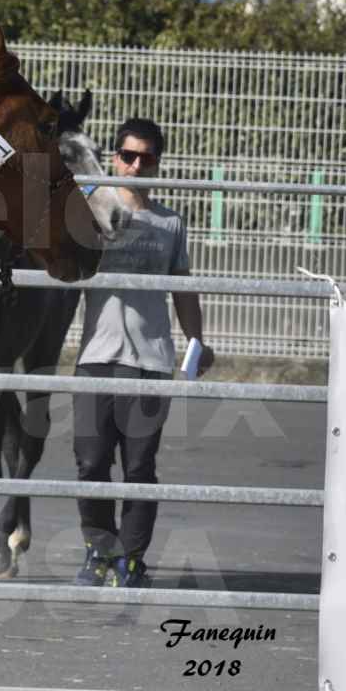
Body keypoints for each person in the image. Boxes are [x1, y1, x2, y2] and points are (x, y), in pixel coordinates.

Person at [74, 118, 215, 588]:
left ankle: (131, 559)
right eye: (128, 155)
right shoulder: (93, 211)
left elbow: (183, 290)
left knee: (138, 467)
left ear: (157, 161)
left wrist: (198, 341)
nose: (136, 165)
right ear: (114, 157)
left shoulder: (170, 221)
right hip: (95, 358)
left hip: (151, 362)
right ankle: (99, 550)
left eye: (147, 157)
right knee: (91, 462)